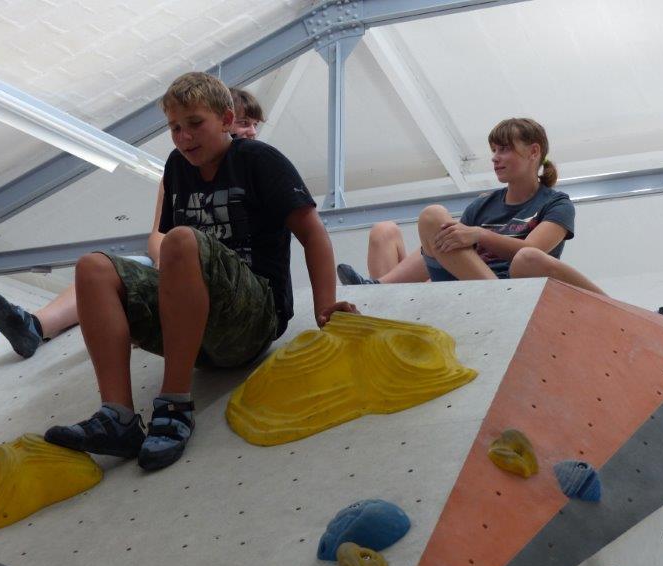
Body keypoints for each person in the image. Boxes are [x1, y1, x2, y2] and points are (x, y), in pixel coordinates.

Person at [44, 72, 356, 471]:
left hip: (253, 317)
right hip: (199, 333)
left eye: (194, 123)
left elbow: (312, 234)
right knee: (92, 268)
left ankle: (174, 404)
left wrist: (325, 308)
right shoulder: (177, 167)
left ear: (226, 120)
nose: (184, 137)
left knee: (179, 240)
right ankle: (117, 417)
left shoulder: (258, 160)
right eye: (175, 128)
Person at [0, 88, 267, 359]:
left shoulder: (257, 169)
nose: (252, 132)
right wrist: (163, 261)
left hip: (225, 277)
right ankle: (34, 326)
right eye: (244, 123)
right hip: (175, 263)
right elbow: (158, 235)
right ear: (223, 121)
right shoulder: (179, 171)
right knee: (107, 269)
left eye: (254, 124)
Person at [337, 117, 604, 295]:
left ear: (534, 152)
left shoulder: (556, 203)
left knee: (527, 259)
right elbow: (449, 248)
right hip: (466, 283)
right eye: (494, 150)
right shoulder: (483, 204)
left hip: (515, 285)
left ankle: (610, 305)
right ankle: (378, 288)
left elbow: (532, 250)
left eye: (504, 149)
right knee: (431, 216)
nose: (495, 158)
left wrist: (479, 234)